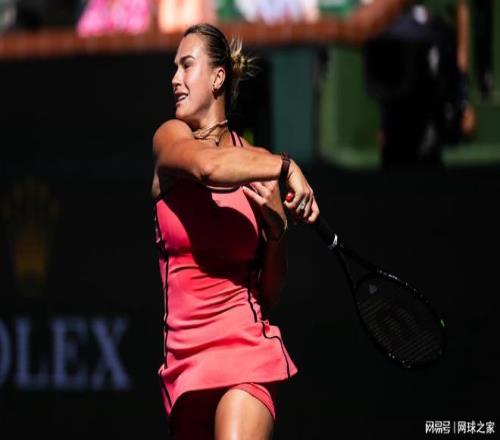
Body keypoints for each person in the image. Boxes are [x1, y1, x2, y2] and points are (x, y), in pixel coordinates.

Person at [151, 23, 319, 439]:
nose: (174, 79)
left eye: (186, 66)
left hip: (246, 349)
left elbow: (269, 293)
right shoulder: (171, 139)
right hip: (186, 365)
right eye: (174, 67)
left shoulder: (256, 162)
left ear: (218, 78)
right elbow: (209, 167)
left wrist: (277, 231)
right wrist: (286, 166)